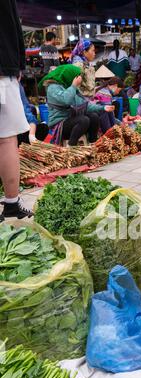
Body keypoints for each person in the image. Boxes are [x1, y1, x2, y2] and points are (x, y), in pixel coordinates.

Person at [0, 0, 33, 221]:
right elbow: (15, 26)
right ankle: (11, 203)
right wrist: (18, 63)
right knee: (6, 140)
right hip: (5, 69)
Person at [39, 65, 115, 146]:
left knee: (94, 116)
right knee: (83, 120)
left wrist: (103, 108)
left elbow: (84, 105)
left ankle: (93, 143)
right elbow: (66, 100)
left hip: (71, 120)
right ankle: (71, 146)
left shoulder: (68, 86)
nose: (78, 79)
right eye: (76, 76)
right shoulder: (53, 88)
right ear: (69, 76)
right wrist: (73, 86)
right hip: (60, 124)